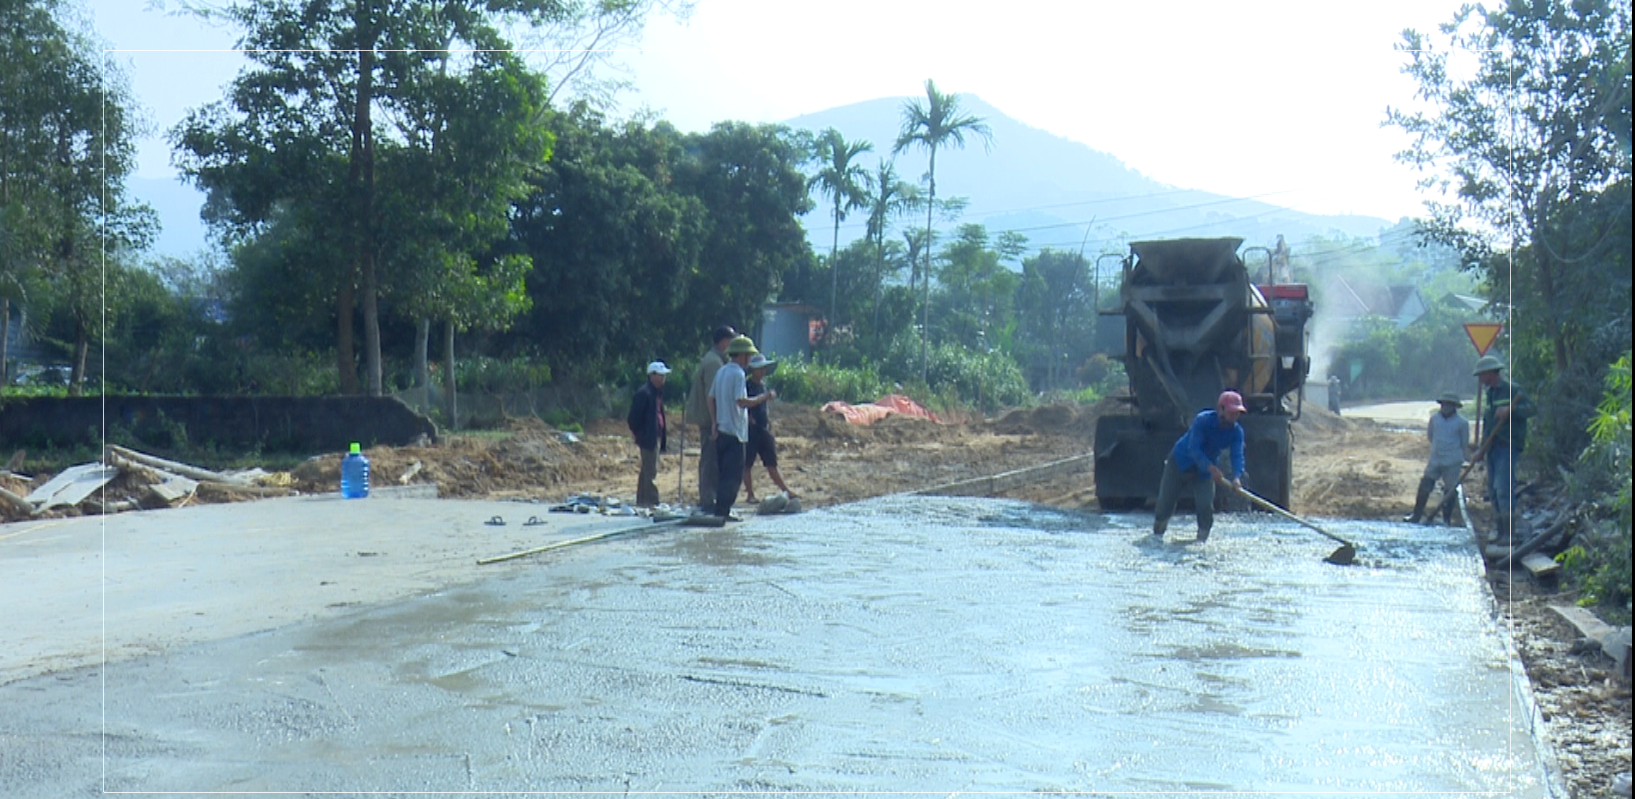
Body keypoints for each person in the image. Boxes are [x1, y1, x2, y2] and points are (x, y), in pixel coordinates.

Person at [1153, 390, 1248, 542]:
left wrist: (1237, 477)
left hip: (1204, 472)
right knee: (1165, 504)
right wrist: (1211, 468)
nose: (1234, 416)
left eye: (1237, 413)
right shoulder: (1202, 420)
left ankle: (1201, 542)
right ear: (1221, 409)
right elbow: (1194, 449)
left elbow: (1237, 456)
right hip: (1180, 463)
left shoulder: (1237, 432)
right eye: (1231, 412)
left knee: (1205, 507)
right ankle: (1157, 536)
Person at [707, 335, 773, 520]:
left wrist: (714, 422)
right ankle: (723, 512)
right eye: (749, 356)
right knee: (733, 476)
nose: (750, 361)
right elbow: (742, 401)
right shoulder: (737, 374)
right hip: (736, 433)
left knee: (723, 473)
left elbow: (710, 398)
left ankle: (721, 510)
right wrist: (763, 398)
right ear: (742, 356)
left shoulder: (721, 371)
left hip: (721, 430)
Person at [1474, 355, 1535, 545]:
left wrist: (1511, 410)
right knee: (1493, 490)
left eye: (1482, 375)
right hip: (1493, 447)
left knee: (1503, 488)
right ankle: (1501, 531)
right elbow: (1489, 423)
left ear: (1491, 373)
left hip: (1507, 446)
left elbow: (1532, 409)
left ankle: (1510, 534)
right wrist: (1481, 449)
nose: (1480, 379)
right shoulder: (1490, 394)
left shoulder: (1512, 390)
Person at [683, 325, 736, 513]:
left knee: (711, 459)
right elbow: (712, 395)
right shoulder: (714, 363)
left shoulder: (715, 359)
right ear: (723, 342)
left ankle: (709, 498)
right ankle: (708, 499)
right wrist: (716, 421)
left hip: (710, 419)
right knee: (710, 461)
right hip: (710, 420)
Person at [1404, 392, 1470, 526]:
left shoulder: (1462, 423)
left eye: (1449, 405)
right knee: (1425, 485)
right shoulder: (1434, 419)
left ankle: (1447, 518)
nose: (1446, 407)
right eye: (1444, 404)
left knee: (1450, 490)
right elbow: (1430, 436)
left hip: (1452, 461)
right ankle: (1416, 515)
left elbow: (1464, 442)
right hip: (1435, 458)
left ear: (1454, 407)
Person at [742, 353, 797, 503]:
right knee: (747, 463)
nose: (762, 372)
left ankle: (785, 490)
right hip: (751, 430)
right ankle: (750, 494)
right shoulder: (747, 385)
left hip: (763, 428)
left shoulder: (762, 385)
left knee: (771, 462)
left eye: (763, 369)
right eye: (760, 369)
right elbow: (743, 404)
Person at [625, 360, 670, 508]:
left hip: (655, 436)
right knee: (651, 471)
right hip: (648, 437)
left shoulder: (656, 394)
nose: (663, 378)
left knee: (646, 470)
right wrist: (641, 434)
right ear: (652, 376)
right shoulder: (644, 394)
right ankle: (652, 501)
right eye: (661, 375)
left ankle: (642, 500)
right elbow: (633, 418)